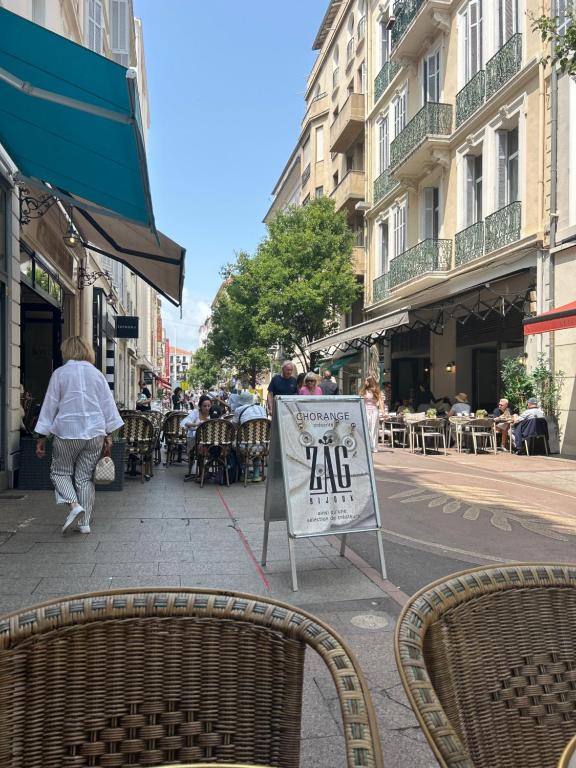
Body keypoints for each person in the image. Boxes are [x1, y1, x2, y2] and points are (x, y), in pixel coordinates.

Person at [34, 336, 124, 535]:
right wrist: (109, 434)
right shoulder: (97, 374)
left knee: (59, 472)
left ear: (67, 351)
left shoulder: (60, 373)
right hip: (94, 432)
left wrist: (41, 436)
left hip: (67, 431)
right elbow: (107, 405)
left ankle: (74, 505)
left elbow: (50, 405)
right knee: (84, 478)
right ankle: (85, 524)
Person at [232, 398, 269, 481]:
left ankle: (246, 473)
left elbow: (234, 426)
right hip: (263, 446)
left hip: (246, 446)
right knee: (256, 442)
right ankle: (256, 474)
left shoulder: (239, 409)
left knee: (236, 444)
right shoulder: (261, 409)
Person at [182, 395, 212, 463]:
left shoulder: (213, 413)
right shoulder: (195, 412)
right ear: (200, 406)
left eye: (209, 406)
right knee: (201, 446)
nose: (207, 408)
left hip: (210, 440)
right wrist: (197, 424)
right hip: (196, 439)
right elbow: (185, 423)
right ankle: (202, 466)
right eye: (204, 406)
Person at [360, 375, 385, 453]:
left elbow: (380, 401)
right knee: (366, 428)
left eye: (367, 381)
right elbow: (359, 400)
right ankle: (368, 445)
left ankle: (374, 447)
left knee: (374, 429)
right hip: (365, 411)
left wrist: (383, 411)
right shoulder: (363, 391)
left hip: (374, 411)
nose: (365, 382)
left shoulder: (376, 391)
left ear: (370, 382)